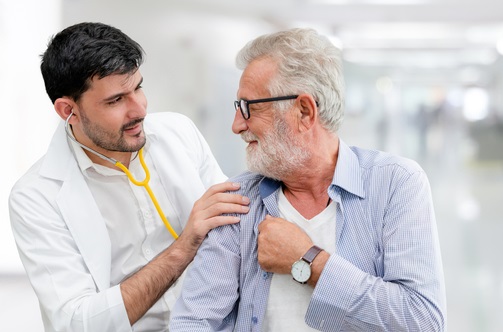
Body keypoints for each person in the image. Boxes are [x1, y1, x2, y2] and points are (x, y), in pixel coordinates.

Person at [171, 28, 447, 331]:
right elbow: (193, 321)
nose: (237, 125)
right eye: (237, 107)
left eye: (250, 107)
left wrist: (307, 261)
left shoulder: (396, 184)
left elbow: (422, 321)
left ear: (304, 111)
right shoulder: (237, 203)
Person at [8, 22, 249, 331]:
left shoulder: (179, 133)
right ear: (68, 110)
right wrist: (184, 246)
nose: (139, 110)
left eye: (138, 87)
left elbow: (231, 230)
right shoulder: (36, 197)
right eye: (116, 100)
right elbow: (77, 322)